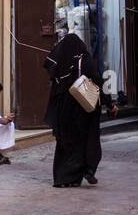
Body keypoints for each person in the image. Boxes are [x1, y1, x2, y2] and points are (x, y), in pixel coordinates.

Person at [44, 32, 103, 187]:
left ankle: (62, 179)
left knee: (64, 145)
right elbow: (97, 83)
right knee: (82, 142)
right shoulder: (85, 61)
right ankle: (83, 172)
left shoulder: (59, 65)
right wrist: (109, 104)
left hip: (63, 112)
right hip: (80, 110)